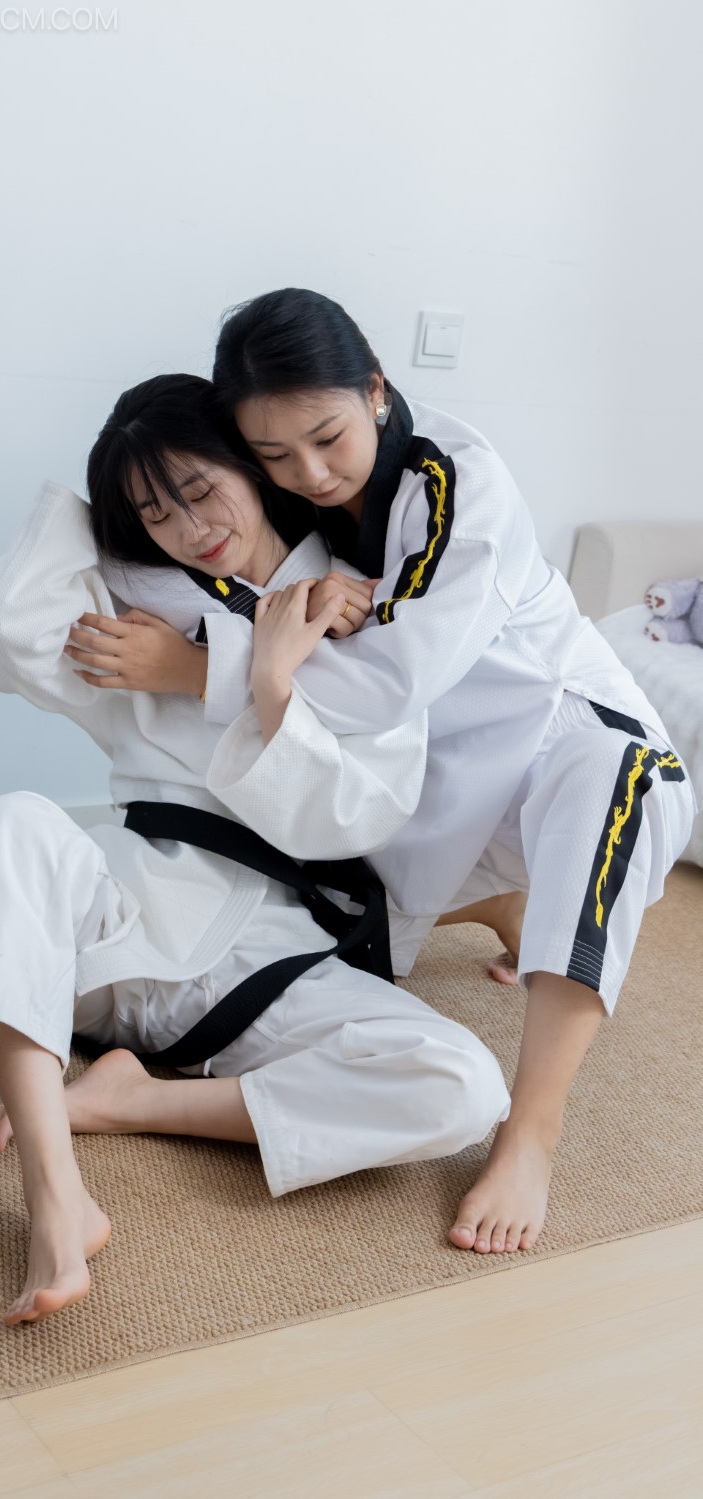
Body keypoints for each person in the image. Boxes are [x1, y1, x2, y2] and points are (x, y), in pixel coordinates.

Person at [94, 288, 693, 1261]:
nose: (310, 472)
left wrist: (195, 667)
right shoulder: (279, 492)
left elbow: (386, 682)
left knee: (609, 790)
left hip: (564, 727)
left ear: (375, 388)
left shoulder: (458, 483)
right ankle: (507, 906)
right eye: (275, 454)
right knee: (347, 895)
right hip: (435, 758)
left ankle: (530, 1134)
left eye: (328, 437)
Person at [0, 374, 510, 1327]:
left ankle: (124, 1099)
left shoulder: (358, 607)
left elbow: (353, 822)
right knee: (3, 824)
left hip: (270, 956)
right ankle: (55, 1195)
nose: (188, 527)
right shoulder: (139, 607)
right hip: (121, 931)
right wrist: (110, 509)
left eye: (201, 490)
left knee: (462, 1083)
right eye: (155, 512)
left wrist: (261, 678)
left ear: (251, 465)